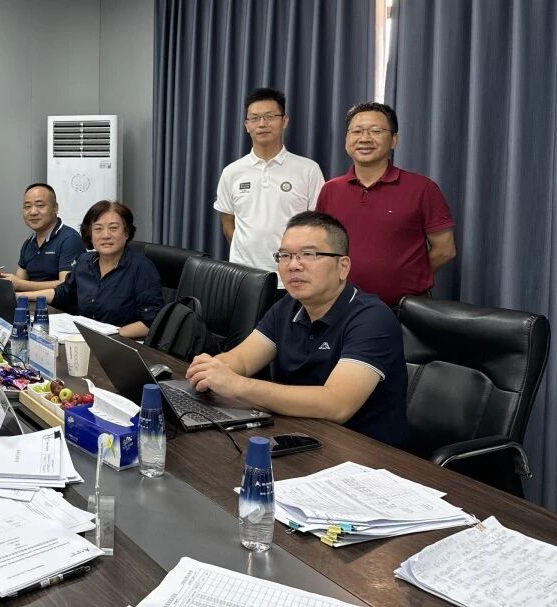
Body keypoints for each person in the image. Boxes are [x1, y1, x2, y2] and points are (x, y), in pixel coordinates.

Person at [185, 211, 408, 447]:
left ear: (343, 267)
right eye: (285, 255)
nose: (293, 265)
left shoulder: (372, 318)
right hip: (300, 435)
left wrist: (237, 385)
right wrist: (212, 369)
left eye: (308, 255)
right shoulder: (288, 306)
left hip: (364, 452)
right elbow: (242, 359)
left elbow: (336, 404)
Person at [316, 102, 456, 308]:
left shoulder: (422, 188)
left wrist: (408, 277)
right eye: (357, 131)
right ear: (346, 140)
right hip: (343, 306)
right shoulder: (330, 190)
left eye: (376, 131)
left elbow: (445, 250)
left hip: (405, 309)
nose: (365, 138)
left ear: (394, 140)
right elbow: (321, 246)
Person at [214, 87, 324, 291]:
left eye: (270, 117)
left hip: (292, 276)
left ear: (285, 121)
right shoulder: (232, 172)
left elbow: (317, 225)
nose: (262, 124)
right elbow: (228, 222)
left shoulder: (308, 170)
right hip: (243, 277)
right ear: (247, 125)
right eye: (255, 118)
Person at [29, 201, 163, 339]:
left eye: (113, 228)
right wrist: (21, 296)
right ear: (91, 235)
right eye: (98, 229)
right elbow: (63, 294)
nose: (106, 235)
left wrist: (107, 337)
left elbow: (151, 322)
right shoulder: (84, 262)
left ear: (126, 233)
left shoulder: (142, 267)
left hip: (122, 343)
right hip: (83, 340)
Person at [6, 183, 86, 292]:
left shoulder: (70, 239)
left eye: (40, 205)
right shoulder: (28, 243)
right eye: (27, 206)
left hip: (59, 303)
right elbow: (19, 282)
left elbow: (66, 284)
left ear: (55, 208)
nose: (33, 212)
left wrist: (21, 285)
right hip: (30, 301)